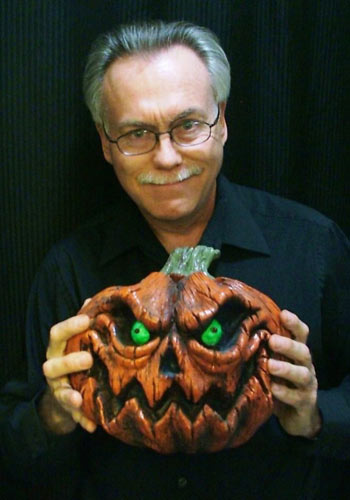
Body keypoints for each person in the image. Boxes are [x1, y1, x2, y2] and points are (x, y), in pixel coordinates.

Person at [1, 20, 349, 499]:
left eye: (188, 126)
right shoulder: (68, 269)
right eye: (137, 133)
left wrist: (316, 416)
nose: (166, 157)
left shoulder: (314, 247)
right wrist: (53, 415)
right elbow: (14, 454)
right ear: (106, 143)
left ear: (221, 122)